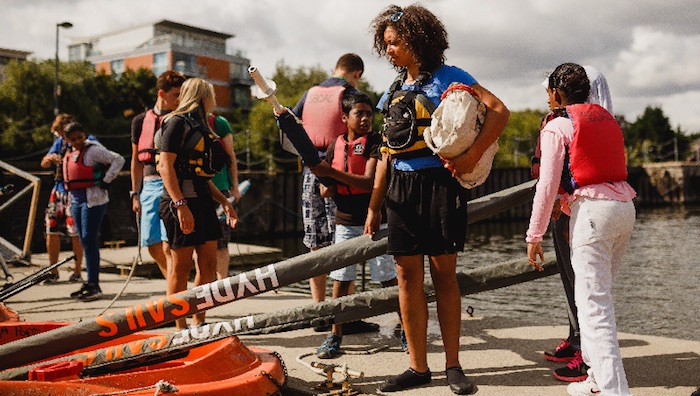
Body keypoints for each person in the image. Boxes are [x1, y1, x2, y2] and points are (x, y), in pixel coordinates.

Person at [365, 4, 509, 394]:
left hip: (439, 186)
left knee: (444, 273)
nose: (389, 50)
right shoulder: (392, 91)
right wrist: (375, 205)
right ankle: (418, 367)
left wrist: (471, 155)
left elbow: (498, 111)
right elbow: (385, 152)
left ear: (418, 40)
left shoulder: (451, 77)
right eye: (386, 44)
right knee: (406, 275)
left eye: (395, 43)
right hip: (400, 189)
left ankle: (453, 366)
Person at [525, 63, 636, 396]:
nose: (547, 100)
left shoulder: (558, 126)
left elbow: (545, 187)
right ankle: (596, 380)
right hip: (624, 210)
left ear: (557, 93)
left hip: (593, 216)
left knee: (594, 306)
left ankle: (615, 391)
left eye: (549, 93)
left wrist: (534, 235)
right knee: (591, 301)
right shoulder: (608, 120)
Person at [292, 53, 378, 334]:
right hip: (341, 174)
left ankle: (319, 312)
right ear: (357, 73)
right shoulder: (351, 94)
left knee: (316, 242)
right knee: (345, 245)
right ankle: (345, 316)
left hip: (311, 173)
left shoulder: (310, 93)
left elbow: (292, 125)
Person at [309, 91, 400, 359]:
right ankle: (335, 334)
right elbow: (329, 187)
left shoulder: (375, 142)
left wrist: (331, 175)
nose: (365, 119)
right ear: (345, 117)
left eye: (369, 114)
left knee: (387, 277)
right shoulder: (333, 146)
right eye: (358, 113)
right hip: (345, 221)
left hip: (374, 220)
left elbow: (369, 181)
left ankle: (406, 327)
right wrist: (328, 184)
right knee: (341, 278)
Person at [157, 78, 237, 330]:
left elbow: (200, 177)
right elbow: (164, 166)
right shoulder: (176, 123)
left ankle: (199, 321)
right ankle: (179, 326)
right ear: (204, 97)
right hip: (179, 202)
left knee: (209, 265)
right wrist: (180, 205)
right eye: (211, 96)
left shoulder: (203, 125)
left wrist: (224, 201)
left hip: (203, 201)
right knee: (180, 268)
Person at [130, 70, 186, 279]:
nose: (179, 99)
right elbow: (135, 160)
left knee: (168, 245)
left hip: (171, 184)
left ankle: (174, 293)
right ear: (161, 93)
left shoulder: (180, 120)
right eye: (176, 94)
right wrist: (135, 193)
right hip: (148, 186)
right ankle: (174, 283)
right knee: (151, 245)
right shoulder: (139, 121)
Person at [62, 122, 125, 301]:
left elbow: (118, 159)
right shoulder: (68, 152)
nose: (77, 142)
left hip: (94, 200)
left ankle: (94, 284)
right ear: (67, 139)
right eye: (72, 139)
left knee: (89, 239)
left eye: (79, 137)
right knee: (84, 241)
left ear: (84, 135)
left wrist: (107, 179)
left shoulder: (93, 150)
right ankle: (89, 282)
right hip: (76, 200)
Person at [40, 114, 86, 284]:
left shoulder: (84, 141)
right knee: (51, 230)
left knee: (76, 232)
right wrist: (49, 159)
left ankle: (77, 270)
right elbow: (43, 163)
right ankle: (53, 271)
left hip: (75, 192)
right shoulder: (59, 143)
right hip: (58, 190)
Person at [206, 113, 241, 280]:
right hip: (198, 189)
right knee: (202, 242)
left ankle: (221, 283)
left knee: (221, 241)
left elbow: (231, 156)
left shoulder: (219, 123)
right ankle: (207, 281)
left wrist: (235, 187)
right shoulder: (184, 121)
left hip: (221, 188)